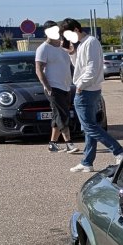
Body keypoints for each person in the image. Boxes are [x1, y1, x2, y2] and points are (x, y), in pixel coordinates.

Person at [63, 18, 123, 174]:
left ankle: (119, 151)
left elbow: (91, 68)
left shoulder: (90, 42)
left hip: (86, 90)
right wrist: (72, 54)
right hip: (89, 89)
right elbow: (80, 65)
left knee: (89, 126)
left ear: (76, 30)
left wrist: (80, 86)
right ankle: (87, 162)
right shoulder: (85, 43)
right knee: (89, 127)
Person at [34, 22, 76, 153]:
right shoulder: (43, 48)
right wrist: (47, 87)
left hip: (66, 86)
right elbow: (39, 69)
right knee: (62, 114)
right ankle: (69, 143)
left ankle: (53, 143)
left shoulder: (62, 46)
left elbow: (72, 58)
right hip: (53, 86)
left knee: (57, 115)